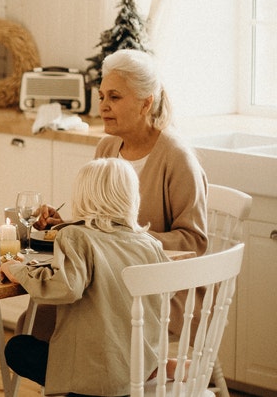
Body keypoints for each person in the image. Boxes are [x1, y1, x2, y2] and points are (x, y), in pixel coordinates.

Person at [28, 49, 208, 340]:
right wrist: (65, 224)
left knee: (59, 325)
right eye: (101, 97)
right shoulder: (107, 149)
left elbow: (194, 242)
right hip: (109, 283)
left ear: (145, 102)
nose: (103, 106)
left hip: (158, 293)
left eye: (115, 97)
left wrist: (128, 238)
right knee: (36, 320)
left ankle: (90, 382)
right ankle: (80, 384)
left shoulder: (177, 159)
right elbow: (101, 224)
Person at [0, 158, 170, 396]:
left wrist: (16, 269)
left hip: (97, 379)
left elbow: (65, 287)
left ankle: (77, 386)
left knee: (17, 349)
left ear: (82, 197)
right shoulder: (149, 243)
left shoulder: (76, 236)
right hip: (139, 370)